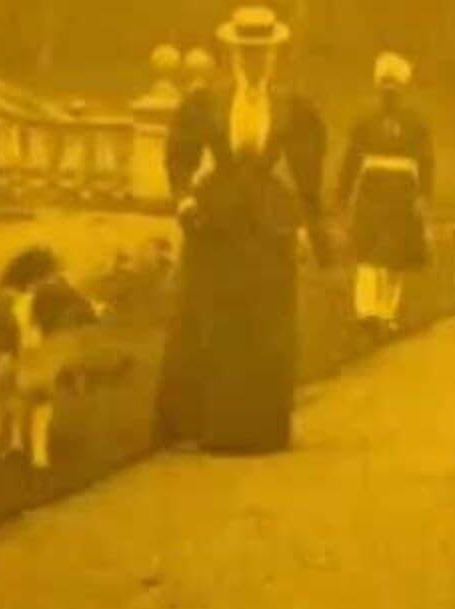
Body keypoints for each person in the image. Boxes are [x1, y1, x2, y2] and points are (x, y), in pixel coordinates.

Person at [153, 5, 329, 455]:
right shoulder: (206, 103)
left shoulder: (292, 106)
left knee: (266, 326)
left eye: (262, 53)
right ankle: (209, 425)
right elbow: (178, 155)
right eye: (246, 52)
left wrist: (312, 227)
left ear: (274, 56)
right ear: (233, 54)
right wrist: (185, 197)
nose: (254, 61)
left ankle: (262, 429)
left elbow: (309, 173)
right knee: (214, 321)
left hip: (268, 225)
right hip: (218, 222)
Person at [337, 51, 434, 336]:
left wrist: (424, 196)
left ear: (402, 88)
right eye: (384, 85)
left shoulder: (415, 123)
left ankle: (387, 312)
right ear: (378, 87)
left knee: (396, 259)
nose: (389, 91)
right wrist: (342, 194)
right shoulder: (365, 120)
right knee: (368, 252)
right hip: (373, 191)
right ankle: (366, 310)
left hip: (403, 193)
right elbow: (351, 158)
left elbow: (426, 162)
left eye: (394, 85)